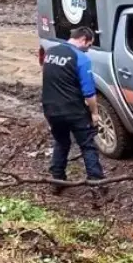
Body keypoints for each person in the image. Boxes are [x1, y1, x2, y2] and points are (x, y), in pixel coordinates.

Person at [41, 25, 104, 184]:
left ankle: (57, 179)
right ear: (83, 39)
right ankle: (96, 184)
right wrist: (94, 113)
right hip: (73, 110)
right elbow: (89, 92)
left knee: (61, 142)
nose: (88, 50)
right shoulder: (81, 59)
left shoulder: (51, 53)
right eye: (88, 45)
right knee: (87, 145)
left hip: (51, 109)